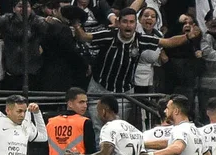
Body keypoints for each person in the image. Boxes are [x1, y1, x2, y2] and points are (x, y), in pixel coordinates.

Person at [72, 6, 201, 140]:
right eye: (125, 22)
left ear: (136, 24)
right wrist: (76, 24)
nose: (128, 25)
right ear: (119, 23)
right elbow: (84, 37)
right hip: (99, 88)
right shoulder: (108, 35)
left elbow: (167, 42)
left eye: (132, 22)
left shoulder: (141, 39)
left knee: (118, 129)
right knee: (98, 128)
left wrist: (187, 37)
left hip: (124, 91)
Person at [46, 87, 96, 155]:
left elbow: (46, 150)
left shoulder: (51, 122)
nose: (85, 105)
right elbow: (92, 152)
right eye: (81, 102)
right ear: (70, 103)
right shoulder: (85, 122)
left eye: (86, 102)